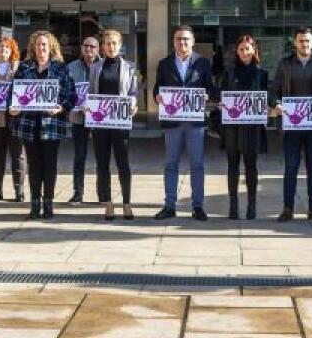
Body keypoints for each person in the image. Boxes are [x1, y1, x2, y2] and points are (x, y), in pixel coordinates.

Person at [10, 30, 77, 220]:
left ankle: (48, 203)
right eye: (38, 44)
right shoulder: (24, 68)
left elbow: (72, 95)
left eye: (45, 45)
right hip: (29, 124)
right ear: (33, 47)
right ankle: (34, 204)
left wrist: (61, 107)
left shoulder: (60, 69)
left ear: (51, 47)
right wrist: (12, 108)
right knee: (34, 165)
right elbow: (13, 94)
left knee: (50, 165)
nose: (41, 48)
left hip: (51, 124)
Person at [152, 26, 216, 221]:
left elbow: (211, 89)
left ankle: (198, 206)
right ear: (173, 41)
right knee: (171, 164)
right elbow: (157, 88)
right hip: (173, 122)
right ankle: (169, 206)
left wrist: (207, 95)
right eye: (179, 39)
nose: (182, 43)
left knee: (197, 164)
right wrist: (158, 97)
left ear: (193, 41)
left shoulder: (203, 63)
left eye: (186, 39)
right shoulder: (164, 64)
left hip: (195, 123)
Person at [274, 27, 312, 222]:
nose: (305, 44)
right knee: (291, 167)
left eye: (308, 41)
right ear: (295, 43)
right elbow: (274, 90)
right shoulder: (284, 64)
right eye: (301, 41)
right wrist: (276, 103)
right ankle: (288, 208)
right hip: (291, 125)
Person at [214, 35, 272, 220]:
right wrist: (221, 104)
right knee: (232, 166)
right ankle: (233, 206)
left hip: (252, 126)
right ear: (236, 52)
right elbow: (220, 95)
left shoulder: (261, 73)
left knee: (251, 166)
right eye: (241, 49)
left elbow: (267, 97)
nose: (245, 52)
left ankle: (252, 206)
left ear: (254, 50)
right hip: (233, 126)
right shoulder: (229, 72)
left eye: (248, 49)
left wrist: (269, 107)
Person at [86, 29, 139, 220]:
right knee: (102, 164)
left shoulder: (130, 68)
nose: (111, 47)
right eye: (107, 43)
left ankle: (126, 203)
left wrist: (133, 105)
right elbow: (91, 93)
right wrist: (88, 107)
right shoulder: (95, 68)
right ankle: (108, 204)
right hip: (100, 124)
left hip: (120, 123)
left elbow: (133, 93)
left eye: (114, 43)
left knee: (123, 164)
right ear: (103, 46)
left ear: (120, 45)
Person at [0, 37, 25, 203]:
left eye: (7, 48)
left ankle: (19, 190)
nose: (4, 50)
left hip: (14, 117)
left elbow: (23, 92)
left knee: (18, 155)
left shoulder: (19, 69)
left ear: (13, 50)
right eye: (1, 47)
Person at [65, 36, 100, 204]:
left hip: (100, 118)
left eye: (92, 46)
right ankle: (78, 192)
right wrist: (74, 104)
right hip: (78, 117)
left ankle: (103, 193)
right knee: (79, 156)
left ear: (98, 48)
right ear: (81, 48)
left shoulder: (104, 65)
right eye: (86, 46)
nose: (89, 49)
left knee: (102, 156)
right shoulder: (71, 68)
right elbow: (66, 91)